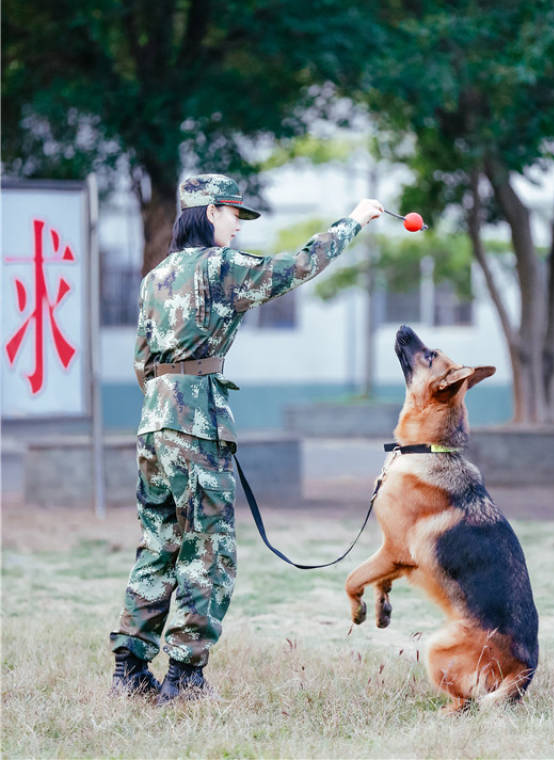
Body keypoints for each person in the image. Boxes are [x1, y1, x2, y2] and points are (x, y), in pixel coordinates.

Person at [110, 173, 383, 703]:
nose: (238, 225)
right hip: (194, 422)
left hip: (153, 422)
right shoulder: (219, 267)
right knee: (208, 549)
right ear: (211, 212)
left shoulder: (155, 278)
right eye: (235, 214)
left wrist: (166, 403)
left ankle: (130, 667)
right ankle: (185, 677)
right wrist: (354, 222)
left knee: (159, 542)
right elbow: (294, 268)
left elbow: (142, 361)